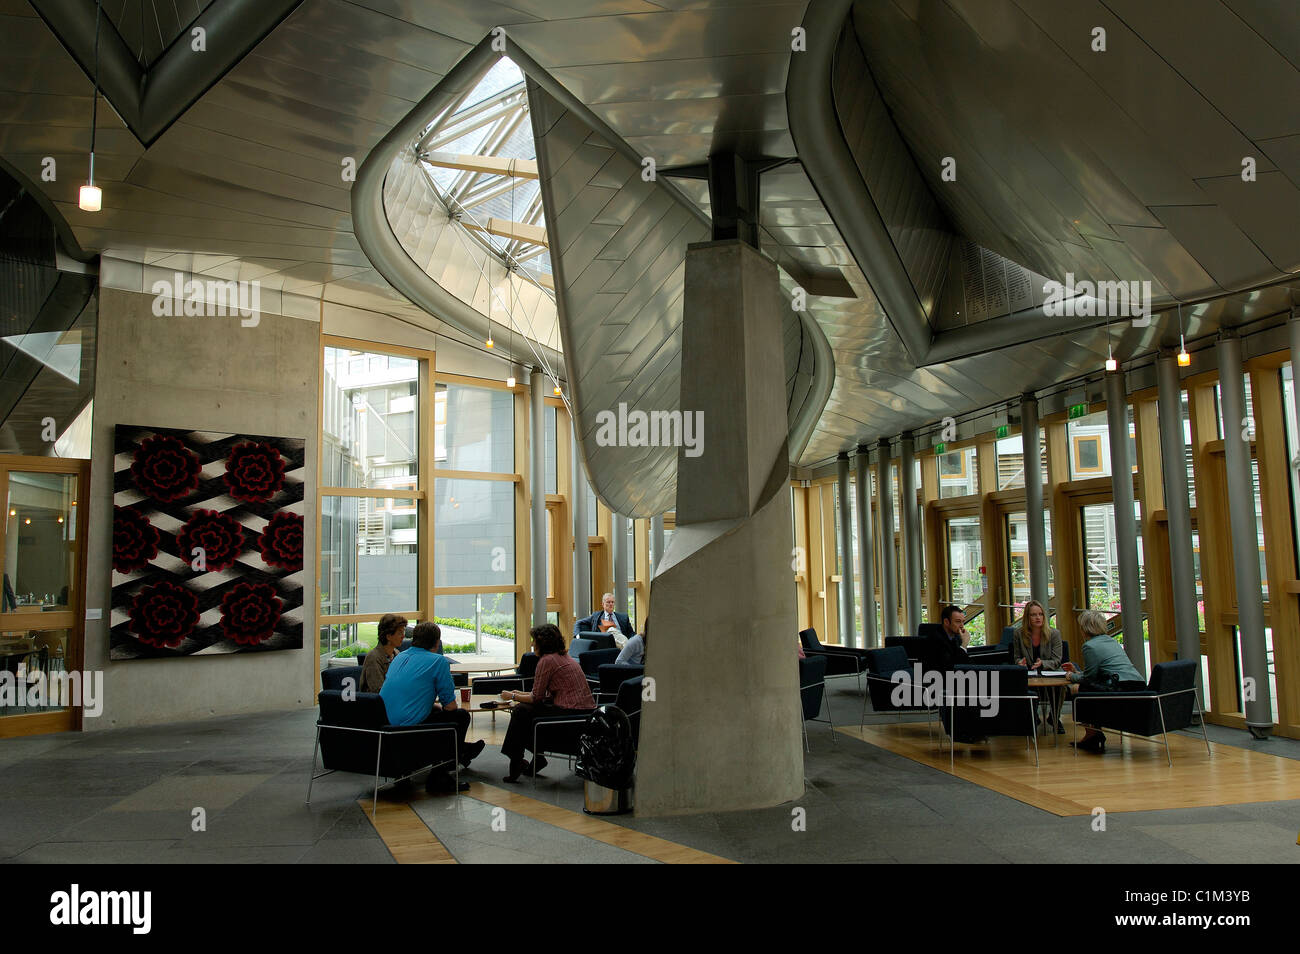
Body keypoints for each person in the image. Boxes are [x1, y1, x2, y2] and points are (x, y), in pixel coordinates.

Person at [380, 621, 485, 791]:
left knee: (437, 714)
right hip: (409, 730)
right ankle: (440, 774)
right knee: (460, 716)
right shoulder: (438, 662)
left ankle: (463, 753)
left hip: (386, 725)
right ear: (436, 642)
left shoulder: (399, 657)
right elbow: (450, 707)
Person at [499, 623, 595, 783]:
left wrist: (513, 696)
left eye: (534, 640)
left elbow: (535, 697)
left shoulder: (547, 661)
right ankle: (530, 758)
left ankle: (517, 761)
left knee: (520, 712)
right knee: (524, 712)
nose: (531, 644)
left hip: (568, 717)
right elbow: (542, 695)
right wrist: (517, 693)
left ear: (542, 643)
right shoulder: (564, 657)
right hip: (582, 715)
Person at [1064, 610, 1147, 753]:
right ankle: (1094, 734)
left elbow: (1089, 679)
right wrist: (1078, 673)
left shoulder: (1089, 646)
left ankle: (1092, 734)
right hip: (1137, 685)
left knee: (1077, 689)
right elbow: (1100, 673)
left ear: (1085, 628)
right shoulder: (1112, 641)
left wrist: (1071, 676)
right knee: (1086, 688)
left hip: (1120, 688)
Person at [1014, 600, 1065, 732]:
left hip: (1048, 672)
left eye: (1040, 614)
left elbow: (1057, 660)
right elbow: (1016, 657)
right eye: (1033, 615)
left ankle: (1054, 717)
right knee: (1021, 684)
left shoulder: (1054, 634)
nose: (1038, 618)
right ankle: (1033, 716)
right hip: (1029, 673)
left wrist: (1043, 663)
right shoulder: (1019, 634)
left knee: (1060, 687)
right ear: (1027, 617)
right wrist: (1020, 662)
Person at [360, 613, 406, 693]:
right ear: (388, 636)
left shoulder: (397, 654)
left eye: (403, 632)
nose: (403, 636)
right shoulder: (373, 658)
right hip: (377, 704)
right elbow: (379, 690)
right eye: (399, 633)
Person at [930, 604, 972, 671]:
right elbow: (952, 666)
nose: (962, 626)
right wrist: (964, 645)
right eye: (958, 621)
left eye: (963, 622)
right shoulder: (935, 640)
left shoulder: (956, 637)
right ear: (946, 622)